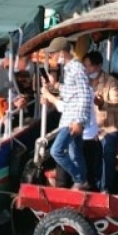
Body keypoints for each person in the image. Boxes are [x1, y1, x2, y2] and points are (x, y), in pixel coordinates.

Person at [39, 37, 93, 190]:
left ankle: (79, 179)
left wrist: (79, 120)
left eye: (54, 53)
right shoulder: (70, 68)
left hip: (72, 118)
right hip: (69, 117)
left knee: (56, 151)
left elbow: (85, 94)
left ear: (61, 52)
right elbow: (71, 92)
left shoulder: (76, 68)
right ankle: (82, 183)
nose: (52, 57)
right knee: (75, 152)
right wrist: (54, 85)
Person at [83, 49, 118, 193]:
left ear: (99, 66)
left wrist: (102, 104)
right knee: (90, 161)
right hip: (89, 130)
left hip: (108, 129)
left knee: (107, 159)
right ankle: (92, 188)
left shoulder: (111, 82)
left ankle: (105, 190)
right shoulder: (84, 81)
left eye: (90, 66)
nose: (87, 69)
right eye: (85, 66)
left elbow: (117, 105)